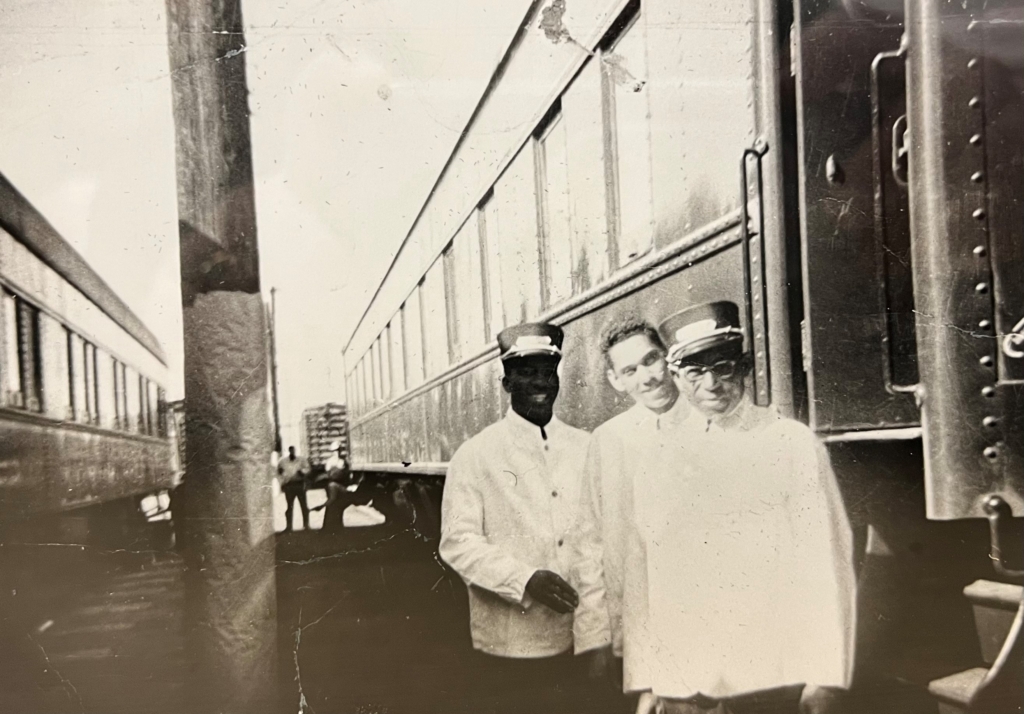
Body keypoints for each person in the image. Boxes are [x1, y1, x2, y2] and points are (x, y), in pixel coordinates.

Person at [642, 301, 857, 714]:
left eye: (723, 367)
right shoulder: (663, 456)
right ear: (676, 377)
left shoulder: (789, 443)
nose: (711, 384)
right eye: (694, 372)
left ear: (743, 366)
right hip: (692, 683)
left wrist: (827, 675)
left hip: (770, 678)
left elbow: (825, 563)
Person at [438, 322, 595, 714]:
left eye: (548, 371)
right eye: (527, 372)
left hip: (584, 637)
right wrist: (524, 579)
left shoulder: (587, 447)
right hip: (512, 645)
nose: (540, 382)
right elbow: (458, 542)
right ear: (506, 383)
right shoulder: (475, 455)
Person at [571, 314, 689, 695]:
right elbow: (589, 542)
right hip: (638, 624)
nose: (647, 377)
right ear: (616, 381)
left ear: (668, 358)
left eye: (652, 360)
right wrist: (595, 635)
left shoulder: (709, 422)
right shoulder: (608, 442)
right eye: (630, 370)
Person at [278, 445, 311, 532]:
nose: (291, 452)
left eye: (293, 450)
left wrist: (302, 472)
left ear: (295, 451)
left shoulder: (301, 459)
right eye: (290, 450)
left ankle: (306, 525)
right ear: (288, 451)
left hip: (299, 484)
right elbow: (278, 472)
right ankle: (289, 526)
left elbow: (308, 468)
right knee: (289, 506)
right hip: (289, 485)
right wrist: (282, 482)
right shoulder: (283, 461)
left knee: (303, 505)